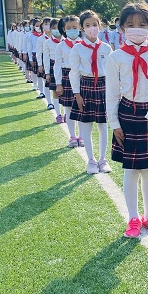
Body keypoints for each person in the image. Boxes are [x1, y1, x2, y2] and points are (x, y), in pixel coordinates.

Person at [106, 1, 148, 239]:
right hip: (128, 115)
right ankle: (133, 218)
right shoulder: (115, 57)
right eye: (130, 24)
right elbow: (111, 93)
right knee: (131, 170)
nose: (136, 29)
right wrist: (114, 123)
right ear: (122, 27)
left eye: (142, 24)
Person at [69, 10, 113, 174]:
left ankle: (103, 160)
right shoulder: (77, 49)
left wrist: (113, 93)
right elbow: (74, 72)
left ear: (99, 26)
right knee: (86, 126)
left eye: (94, 25)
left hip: (103, 86)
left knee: (103, 125)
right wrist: (77, 94)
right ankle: (91, 161)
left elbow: (112, 72)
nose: (92, 28)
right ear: (82, 28)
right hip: (85, 86)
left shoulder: (107, 48)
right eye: (87, 25)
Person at [54, 16, 82, 147]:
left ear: (80, 28)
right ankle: (72, 136)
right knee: (69, 108)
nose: (72, 30)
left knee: (82, 108)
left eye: (75, 28)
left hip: (82, 77)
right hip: (66, 76)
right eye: (69, 28)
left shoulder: (84, 44)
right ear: (64, 29)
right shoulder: (61, 46)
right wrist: (58, 83)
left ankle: (82, 135)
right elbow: (57, 65)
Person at [42, 18, 63, 119]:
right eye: (53, 28)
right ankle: (58, 114)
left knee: (68, 92)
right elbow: (46, 58)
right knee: (55, 91)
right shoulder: (47, 43)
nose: (56, 30)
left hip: (66, 67)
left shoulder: (66, 41)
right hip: (52, 66)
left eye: (57, 28)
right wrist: (47, 73)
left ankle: (67, 113)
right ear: (50, 29)